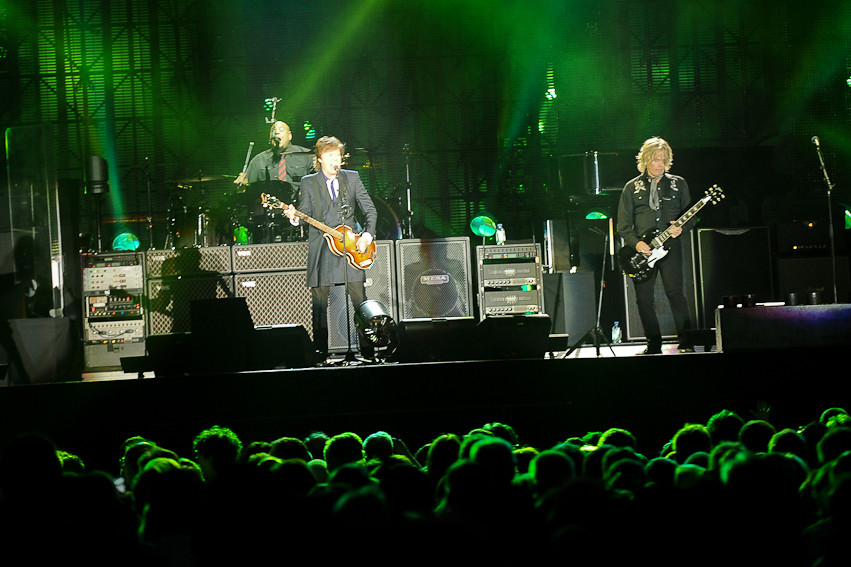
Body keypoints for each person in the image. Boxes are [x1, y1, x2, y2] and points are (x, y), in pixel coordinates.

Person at [283, 135, 377, 362]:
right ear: (319, 159)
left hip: (351, 246)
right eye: (330, 155)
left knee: (360, 300)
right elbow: (305, 213)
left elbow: (370, 210)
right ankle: (320, 355)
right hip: (322, 248)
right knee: (319, 304)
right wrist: (294, 217)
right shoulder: (309, 182)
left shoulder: (351, 178)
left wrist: (367, 234)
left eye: (338, 155)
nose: (336, 159)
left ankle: (367, 353)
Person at [617, 137, 693, 354]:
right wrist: (637, 243)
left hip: (670, 248)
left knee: (675, 293)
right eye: (655, 159)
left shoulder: (679, 183)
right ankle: (654, 344)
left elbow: (692, 218)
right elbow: (623, 225)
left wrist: (682, 229)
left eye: (663, 160)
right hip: (643, 253)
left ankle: (686, 343)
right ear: (646, 160)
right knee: (643, 299)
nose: (659, 164)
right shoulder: (631, 187)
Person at [233, 121, 314, 243]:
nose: (277, 132)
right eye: (273, 131)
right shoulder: (259, 160)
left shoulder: (307, 156)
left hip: (298, 213)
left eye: (281, 129)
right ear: (270, 138)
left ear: (290, 135)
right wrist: (242, 185)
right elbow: (246, 191)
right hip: (267, 217)